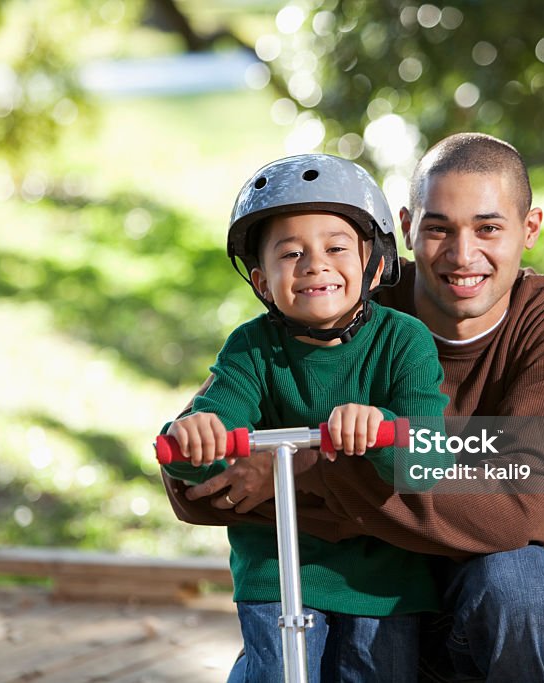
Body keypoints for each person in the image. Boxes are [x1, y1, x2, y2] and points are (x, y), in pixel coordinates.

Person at [162, 133, 544, 683]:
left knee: (520, 580)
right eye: (439, 228)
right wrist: (206, 449)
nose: (463, 255)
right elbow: (196, 486)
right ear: (407, 227)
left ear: (529, 229)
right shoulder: (340, 297)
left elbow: (520, 512)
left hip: (477, 611)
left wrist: (295, 470)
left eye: (488, 228)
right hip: (353, 598)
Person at [160, 153, 449, 682]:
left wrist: (380, 427)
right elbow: (210, 432)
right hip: (278, 570)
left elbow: (427, 459)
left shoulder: (403, 341)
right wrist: (197, 438)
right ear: (262, 282)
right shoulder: (251, 349)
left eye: (336, 248)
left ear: (375, 264)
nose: (315, 264)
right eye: (291, 254)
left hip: (386, 577)